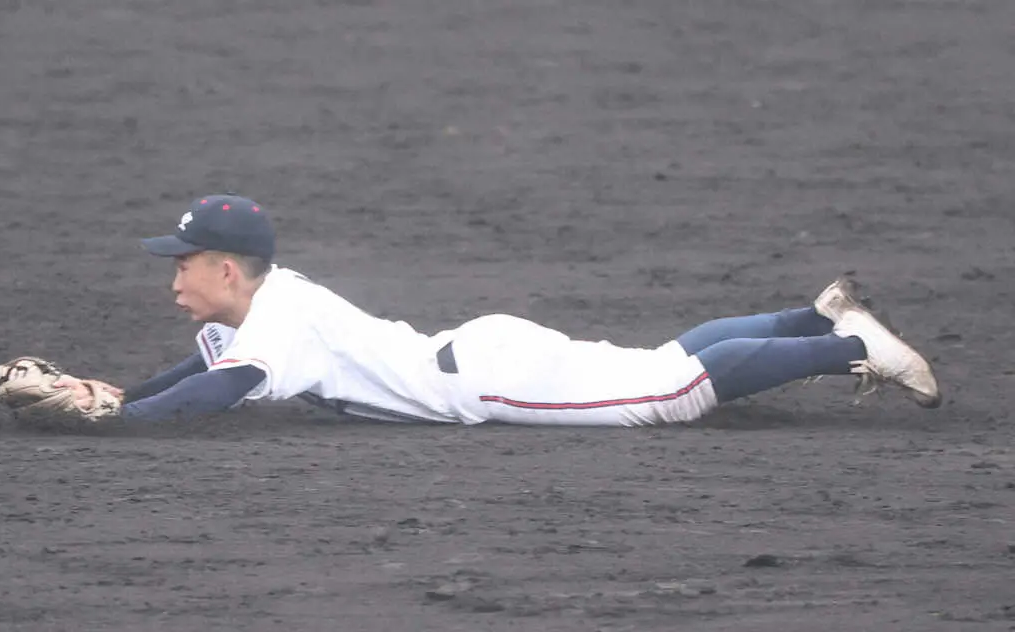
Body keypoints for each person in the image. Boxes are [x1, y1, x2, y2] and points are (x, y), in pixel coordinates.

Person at [63, 193, 941, 426]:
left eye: (181, 267)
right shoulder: (267, 308)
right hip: (484, 356)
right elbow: (196, 371)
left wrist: (115, 428)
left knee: (667, 393)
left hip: (487, 380)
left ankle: (841, 343)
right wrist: (113, 397)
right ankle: (809, 316)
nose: (172, 282)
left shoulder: (280, 325)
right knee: (653, 360)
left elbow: (213, 397)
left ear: (225, 268)